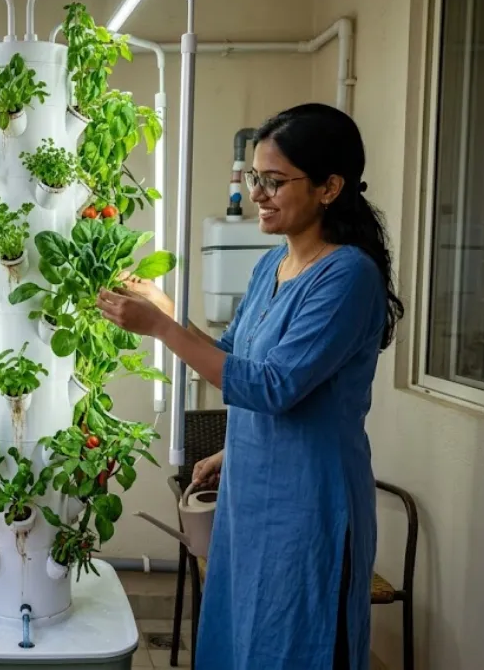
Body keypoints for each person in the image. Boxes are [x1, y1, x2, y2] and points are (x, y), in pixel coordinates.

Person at [96, 103, 404, 670]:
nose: (258, 193)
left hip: (309, 504)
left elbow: (271, 387)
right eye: (255, 178)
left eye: (275, 180)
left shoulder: (348, 276)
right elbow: (233, 357)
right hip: (252, 499)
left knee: (296, 642)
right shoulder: (271, 268)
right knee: (242, 637)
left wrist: (161, 328)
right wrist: (165, 307)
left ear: (330, 187)